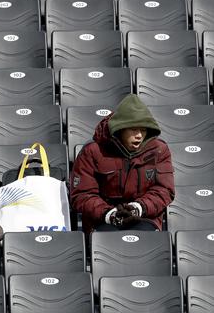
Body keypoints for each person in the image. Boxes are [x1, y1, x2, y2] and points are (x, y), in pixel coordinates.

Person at [69, 94, 175, 235]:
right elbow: (82, 194)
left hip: (145, 218)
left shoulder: (159, 150)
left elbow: (164, 190)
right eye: (133, 129)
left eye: (143, 130)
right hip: (101, 220)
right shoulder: (93, 151)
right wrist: (109, 214)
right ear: (120, 129)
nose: (139, 135)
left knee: (146, 240)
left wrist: (138, 208)